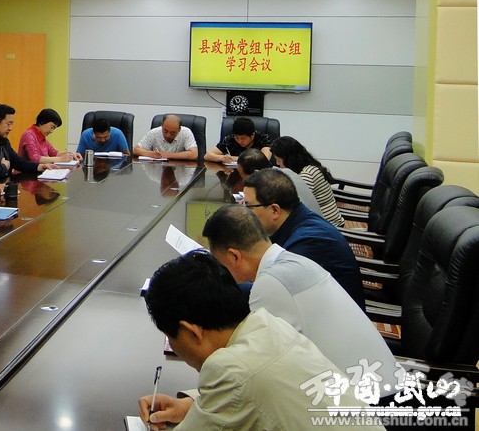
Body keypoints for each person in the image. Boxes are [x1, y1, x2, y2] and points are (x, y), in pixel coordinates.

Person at [138, 250, 383, 430]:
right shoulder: (268, 324)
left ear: (191, 331)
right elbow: (256, 392)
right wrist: (193, 406)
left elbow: (242, 383)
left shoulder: (229, 368)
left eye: (170, 336)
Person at [203, 205, 398, 394]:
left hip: (367, 403)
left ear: (234, 256)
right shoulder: (295, 262)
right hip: (384, 385)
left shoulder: (270, 284)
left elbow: (260, 366)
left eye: (220, 264)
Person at [242, 168, 364, 307]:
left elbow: (272, 290)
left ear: (275, 210)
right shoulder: (298, 219)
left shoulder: (309, 241)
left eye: (249, 207)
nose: (245, 213)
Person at [0, 104, 56, 182]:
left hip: (2, 185)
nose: (10, 128)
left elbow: (18, 161)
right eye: (8, 124)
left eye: (12, 124)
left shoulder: (3, 140)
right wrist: (4, 166)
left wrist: (39, 166)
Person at [270, 136, 346, 227]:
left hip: (327, 226)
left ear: (288, 158)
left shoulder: (307, 174)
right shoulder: (308, 166)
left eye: (278, 160)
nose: (277, 163)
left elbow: (295, 204)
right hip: (322, 221)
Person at [236, 148, 323, 217]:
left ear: (256, 173)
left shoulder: (273, 185)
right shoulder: (284, 173)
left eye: (244, 177)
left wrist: (248, 205)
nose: (244, 182)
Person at [17, 108, 81, 164]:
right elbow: (35, 158)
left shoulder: (41, 137)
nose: (51, 131)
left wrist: (70, 154)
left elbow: (54, 153)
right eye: (52, 127)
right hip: (24, 173)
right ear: (42, 121)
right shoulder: (29, 135)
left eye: (54, 128)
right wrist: (60, 159)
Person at [204, 117, 271, 163]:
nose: (239, 141)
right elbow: (207, 156)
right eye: (237, 138)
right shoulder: (230, 139)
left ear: (252, 135)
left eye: (243, 138)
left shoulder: (264, 139)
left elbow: (264, 159)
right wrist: (223, 158)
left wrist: (236, 159)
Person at [133, 114, 198, 161]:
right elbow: (136, 150)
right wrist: (150, 154)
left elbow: (194, 154)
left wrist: (167, 155)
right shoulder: (154, 132)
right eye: (165, 131)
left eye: (172, 133)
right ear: (162, 125)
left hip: (180, 169)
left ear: (179, 129)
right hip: (157, 168)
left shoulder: (186, 132)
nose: (168, 135)